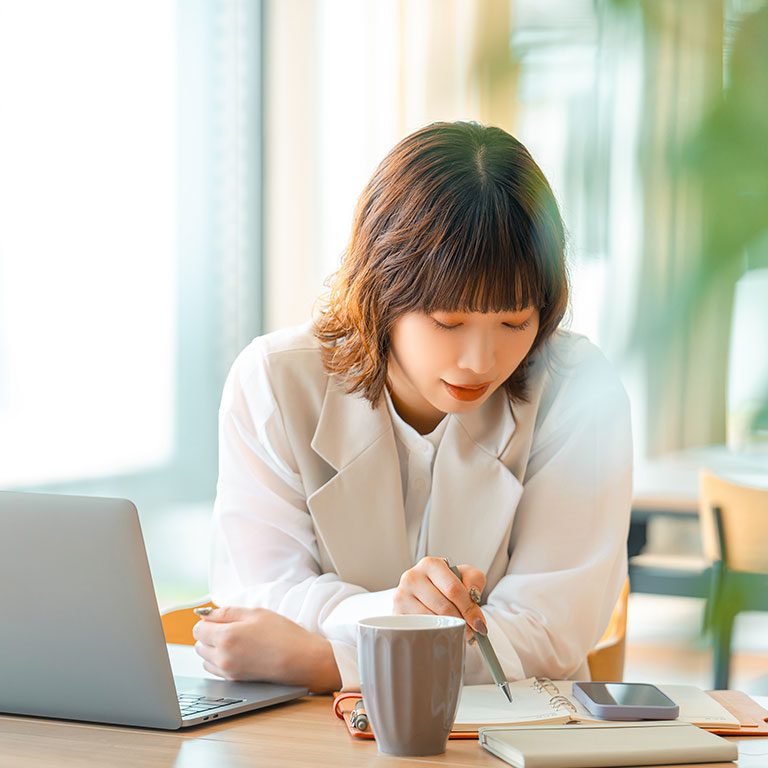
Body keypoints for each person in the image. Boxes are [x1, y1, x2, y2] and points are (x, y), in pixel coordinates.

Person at [193, 121, 632, 693]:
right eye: (449, 321)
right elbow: (261, 596)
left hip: (508, 732)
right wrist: (393, 612)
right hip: (301, 734)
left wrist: (334, 662)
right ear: (382, 290)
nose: (481, 359)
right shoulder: (275, 380)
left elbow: (547, 633)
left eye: (514, 321)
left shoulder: (578, 391)